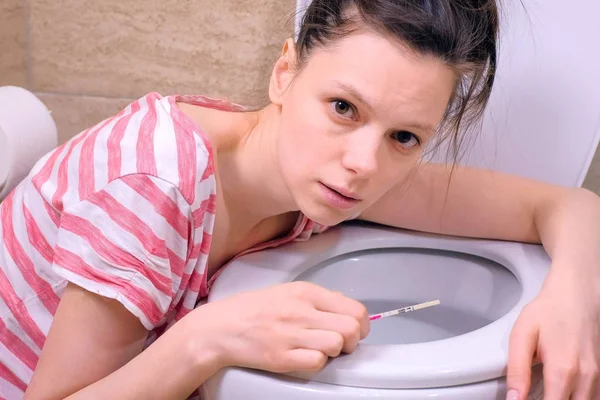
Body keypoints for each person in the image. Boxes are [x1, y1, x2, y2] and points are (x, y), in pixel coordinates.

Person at [1, 0, 599, 399]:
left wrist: (572, 300)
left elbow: (572, 208)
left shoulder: (329, 174)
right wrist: (207, 338)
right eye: (344, 108)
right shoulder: (153, 188)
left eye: (404, 137)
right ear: (284, 74)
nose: (365, 164)